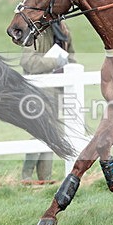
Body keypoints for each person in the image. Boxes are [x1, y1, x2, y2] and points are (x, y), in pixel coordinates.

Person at [20, 21, 76, 185]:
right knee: (40, 130)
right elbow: (27, 62)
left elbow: (72, 57)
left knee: (52, 132)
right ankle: (26, 177)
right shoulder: (34, 33)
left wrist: (70, 68)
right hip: (36, 91)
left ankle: (44, 178)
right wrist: (56, 61)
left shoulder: (64, 31)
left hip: (57, 90)